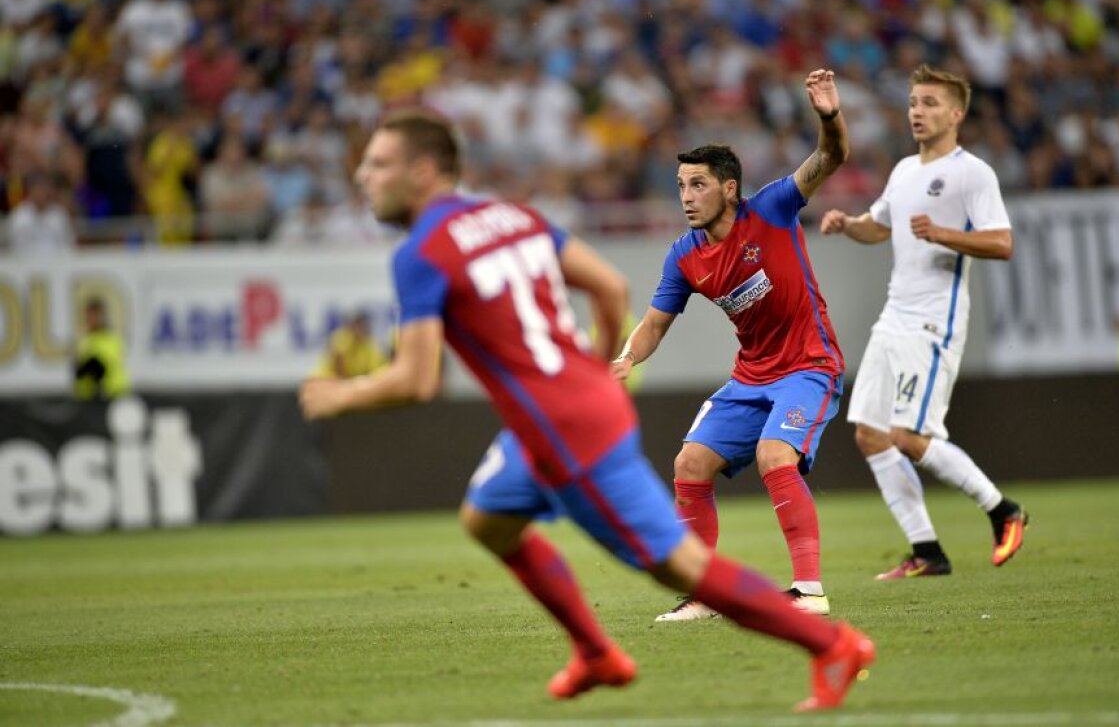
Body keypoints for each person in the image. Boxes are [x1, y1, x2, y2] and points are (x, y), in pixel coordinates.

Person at [299, 111, 874, 712]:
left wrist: (338, 394)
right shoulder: (512, 216)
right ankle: (596, 653)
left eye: (378, 163)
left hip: (567, 424)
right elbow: (610, 289)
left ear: (422, 171)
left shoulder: (418, 254)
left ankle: (831, 643)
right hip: (565, 411)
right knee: (487, 519)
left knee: (679, 566)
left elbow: (417, 379)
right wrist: (601, 368)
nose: (363, 175)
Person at [612, 69, 849, 620]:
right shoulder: (685, 255)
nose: (687, 197)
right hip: (752, 377)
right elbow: (653, 324)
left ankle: (809, 591)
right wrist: (625, 358)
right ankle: (704, 593)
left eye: (697, 185)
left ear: (729, 189)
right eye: (680, 187)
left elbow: (829, 158)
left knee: (773, 455)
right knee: (690, 463)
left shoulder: (772, 209)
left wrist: (829, 116)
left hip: (809, 366)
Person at [820, 64, 1027, 580]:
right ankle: (928, 551)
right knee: (870, 433)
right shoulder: (904, 171)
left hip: (935, 322)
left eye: (930, 103)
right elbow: (879, 227)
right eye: (914, 102)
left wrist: (943, 234)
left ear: (957, 114)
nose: (918, 111)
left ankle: (1003, 510)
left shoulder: (970, 173)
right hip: (894, 316)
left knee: (910, 436)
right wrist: (849, 225)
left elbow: (1001, 242)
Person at [74, 297, 131, 401]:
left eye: (94, 315)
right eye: (88, 315)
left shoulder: (110, 339)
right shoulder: (85, 340)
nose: (90, 319)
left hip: (111, 396)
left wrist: (89, 366)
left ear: (101, 316)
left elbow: (103, 366)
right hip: (88, 398)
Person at [311, 310, 388, 379]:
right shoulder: (340, 338)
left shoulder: (370, 344)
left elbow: (377, 371)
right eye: (356, 324)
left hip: (350, 385)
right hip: (323, 381)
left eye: (361, 325)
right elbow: (338, 366)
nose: (359, 329)